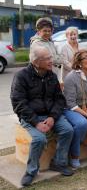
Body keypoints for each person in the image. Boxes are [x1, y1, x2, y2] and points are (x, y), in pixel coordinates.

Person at [10, 46, 74, 187]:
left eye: (51, 57)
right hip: (31, 117)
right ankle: (31, 171)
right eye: (48, 58)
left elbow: (59, 99)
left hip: (50, 115)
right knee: (39, 139)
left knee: (68, 130)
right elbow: (18, 103)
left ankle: (58, 163)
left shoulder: (51, 75)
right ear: (36, 62)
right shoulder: (21, 76)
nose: (52, 60)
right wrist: (35, 122)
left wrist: (52, 117)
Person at [30, 17, 64, 82]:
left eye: (49, 31)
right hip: (43, 75)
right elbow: (49, 59)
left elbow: (55, 55)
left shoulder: (49, 41)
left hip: (52, 73)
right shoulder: (37, 43)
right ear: (39, 31)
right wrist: (62, 59)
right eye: (45, 31)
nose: (48, 33)